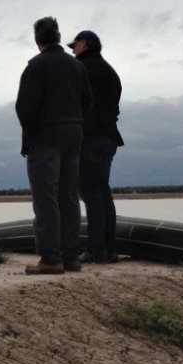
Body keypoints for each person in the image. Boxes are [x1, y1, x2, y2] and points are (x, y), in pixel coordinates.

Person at [16, 17, 92, 275]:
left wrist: (32, 131)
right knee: (69, 196)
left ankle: (50, 258)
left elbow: (24, 107)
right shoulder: (76, 67)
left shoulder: (36, 66)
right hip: (74, 134)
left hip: (46, 137)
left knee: (46, 197)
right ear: (58, 36)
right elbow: (87, 102)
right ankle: (71, 256)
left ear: (38, 40)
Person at [67, 30, 124, 264]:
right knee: (102, 192)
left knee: (90, 193)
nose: (72, 49)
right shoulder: (112, 73)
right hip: (109, 138)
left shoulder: (81, 69)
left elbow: (75, 102)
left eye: (75, 45)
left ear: (86, 44)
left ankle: (95, 249)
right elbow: (114, 109)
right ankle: (109, 249)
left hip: (90, 137)